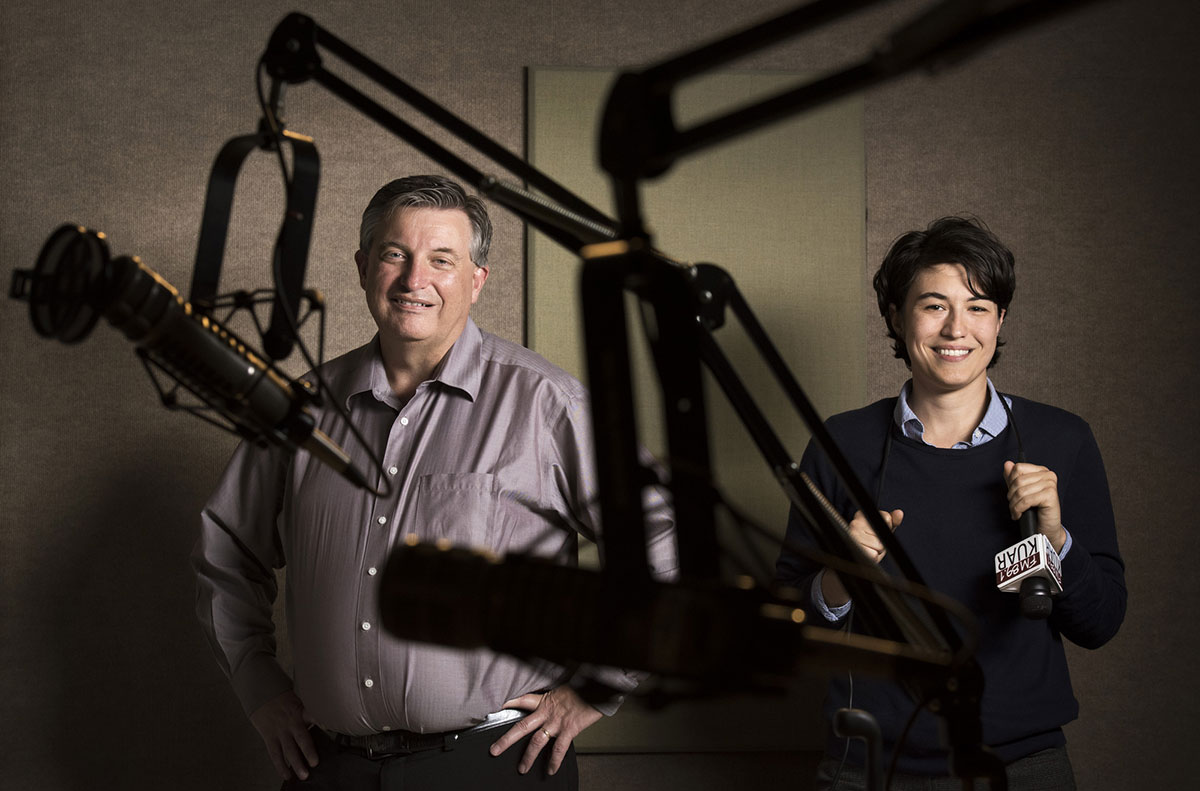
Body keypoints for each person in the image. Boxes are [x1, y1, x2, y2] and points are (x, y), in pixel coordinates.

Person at [193, 175, 677, 790]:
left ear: (477, 279)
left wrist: (598, 686)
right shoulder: (300, 408)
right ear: (364, 265)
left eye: (442, 260)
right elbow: (225, 550)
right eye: (395, 254)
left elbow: (663, 540)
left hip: (494, 766)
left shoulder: (546, 405)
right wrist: (258, 685)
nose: (414, 279)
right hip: (328, 767)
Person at [775, 217, 1126, 790]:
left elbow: (1101, 622)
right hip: (866, 766)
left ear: (1001, 318)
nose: (956, 329)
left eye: (979, 306)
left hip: (1022, 768)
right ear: (896, 316)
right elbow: (787, 629)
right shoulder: (841, 445)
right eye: (934, 306)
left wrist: (1058, 542)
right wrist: (844, 577)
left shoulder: (1063, 440)